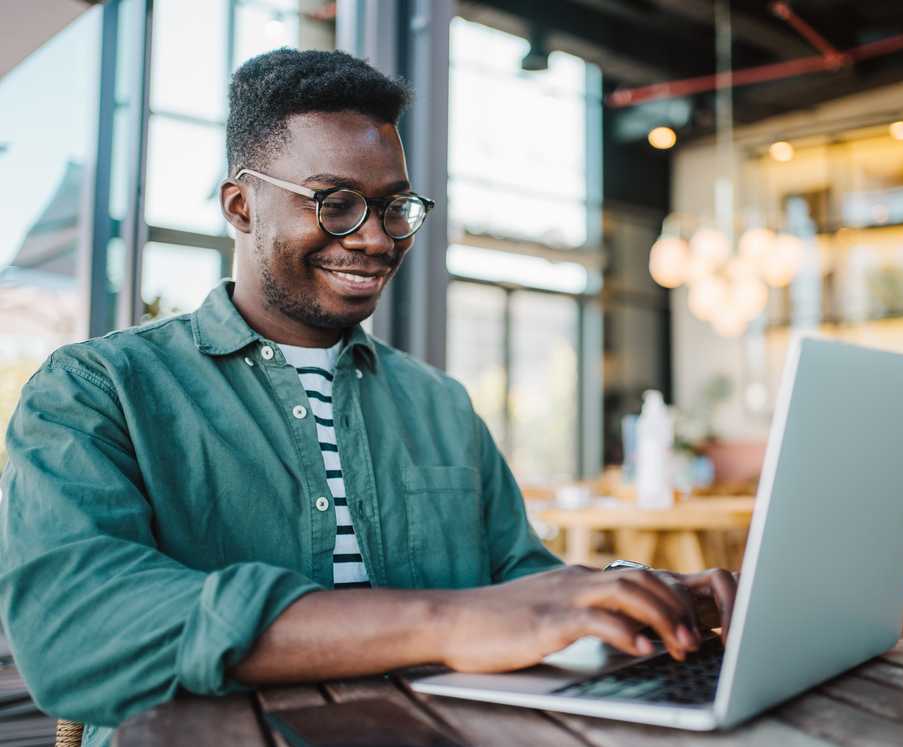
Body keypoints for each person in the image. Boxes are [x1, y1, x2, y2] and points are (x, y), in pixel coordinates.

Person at [0, 49, 736, 746]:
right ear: (240, 205)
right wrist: (445, 622)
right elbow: (77, 628)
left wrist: (627, 595)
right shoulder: (98, 389)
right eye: (337, 204)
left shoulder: (439, 403)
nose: (378, 239)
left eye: (396, 208)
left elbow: (518, 578)